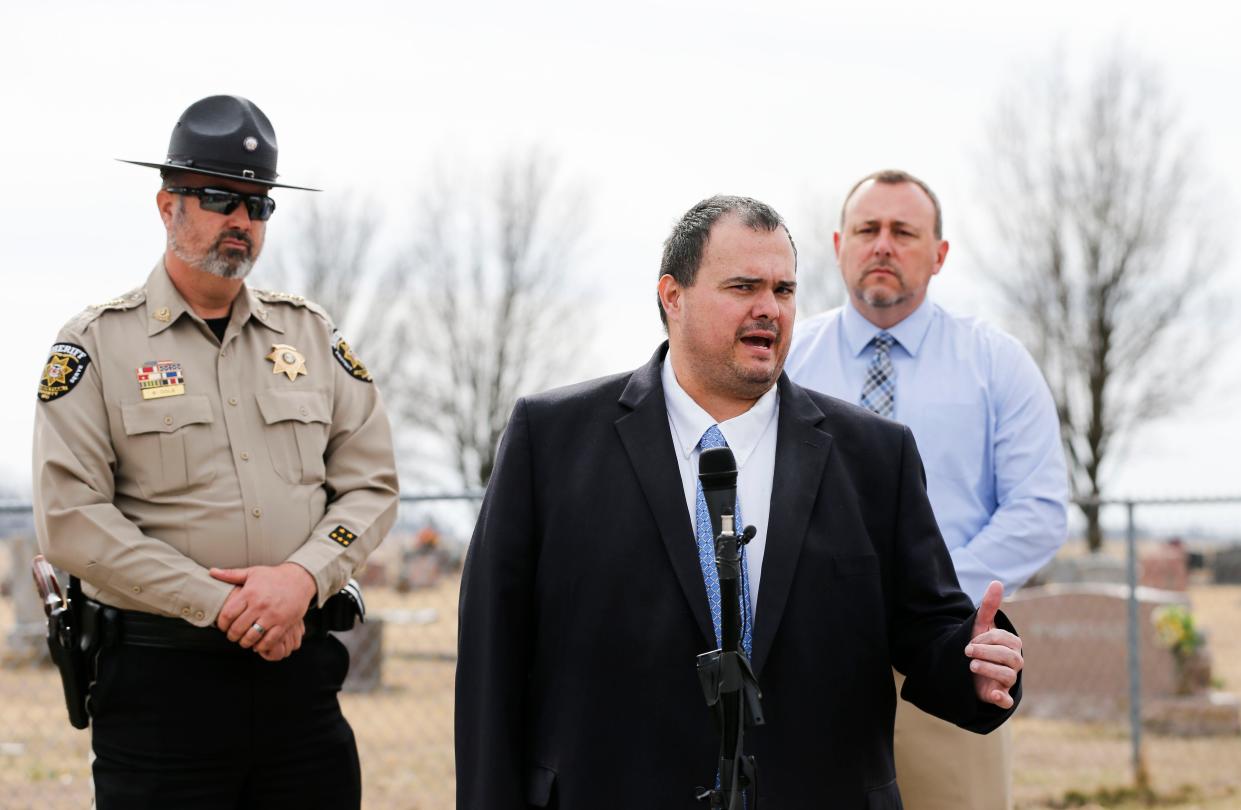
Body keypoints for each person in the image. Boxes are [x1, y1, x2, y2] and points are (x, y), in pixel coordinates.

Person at [455, 195, 1024, 808]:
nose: (769, 310)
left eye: (783, 290)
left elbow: (928, 628)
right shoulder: (553, 438)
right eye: (744, 286)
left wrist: (974, 664)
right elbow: (493, 660)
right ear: (672, 296)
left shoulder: (874, 457)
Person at [32, 95, 399, 810]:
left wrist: (300, 578)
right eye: (219, 198)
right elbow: (71, 518)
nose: (242, 221)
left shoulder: (309, 337)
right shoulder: (97, 345)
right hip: (162, 693)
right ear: (167, 205)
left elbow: (372, 485)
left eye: (258, 205)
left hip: (299, 682)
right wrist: (222, 605)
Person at [785, 169, 1068, 810]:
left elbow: (1038, 509)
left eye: (904, 231)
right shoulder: (786, 363)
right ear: (838, 246)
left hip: (947, 668)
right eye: (867, 229)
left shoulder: (995, 364)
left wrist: (929, 611)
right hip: (806, 666)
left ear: (939, 254)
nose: (882, 244)